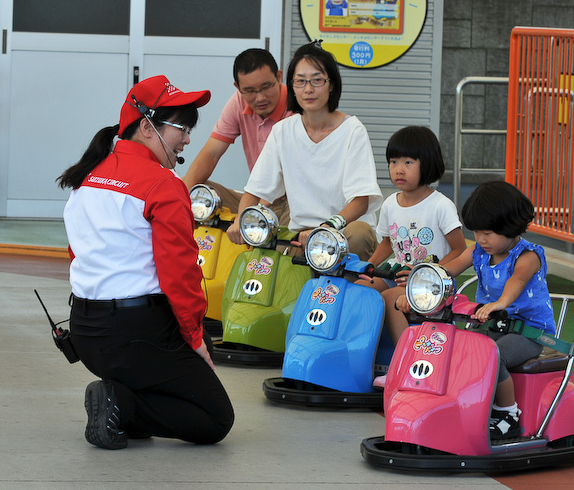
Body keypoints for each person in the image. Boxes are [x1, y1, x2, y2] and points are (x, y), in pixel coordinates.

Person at [57, 75, 234, 450]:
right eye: (182, 128)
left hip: (86, 332)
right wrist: (197, 338)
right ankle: (120, 403)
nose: (187, 139)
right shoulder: (163, 184)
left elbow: (78, 254)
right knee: (215, 418)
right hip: (137, 333)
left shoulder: (88, 176)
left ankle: (119, 401)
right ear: (146, 127)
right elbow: (180, 272)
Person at [395, 180, 556, 440]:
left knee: (493, 355)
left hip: (529, 331)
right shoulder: (479, 251)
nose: (481, 239)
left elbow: (516, 281)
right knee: (459, 350)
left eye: (489, 232)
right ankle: (463, 406)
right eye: (477, 232)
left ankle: (507, 414)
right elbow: (449, 270)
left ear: (511, 226)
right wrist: (416, 292)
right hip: (491, 324)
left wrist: (500, 303)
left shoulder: (528, 256)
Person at [227, 40, 382, 259]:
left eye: (317, 80)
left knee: (360, 233)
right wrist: (239, 219)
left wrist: (326, 228)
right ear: (291, 86)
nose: (308, 89)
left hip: (342, 230)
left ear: (332, 84)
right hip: (300, 234)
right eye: (300, 82)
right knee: (267, 259)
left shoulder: (352, 130)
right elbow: (255, 190)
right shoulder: (283, 131)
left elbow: (361, 200)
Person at [358, 126, 466, 350]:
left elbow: (460, 250)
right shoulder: (390, 203)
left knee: (390, 299)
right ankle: (364, 351)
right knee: (360, 289)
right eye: (394, 162)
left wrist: (427, 275)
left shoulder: (440, 205)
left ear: (426, 163)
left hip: (431, 284)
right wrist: (368, 266)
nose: (399, 170)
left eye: (408, 163)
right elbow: (388, 242)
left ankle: (404, 359)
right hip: (398, 274)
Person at [183, 48, 291, 224]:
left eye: (266, 87)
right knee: (190, 189)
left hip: (290, 203)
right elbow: (211, 153)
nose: (260, 98)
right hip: (254, 199)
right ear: (238, 87)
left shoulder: (297, 108)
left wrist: (252, 212)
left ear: (279, 77)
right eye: (249, 90)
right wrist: (180, 197)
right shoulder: (238, 102)